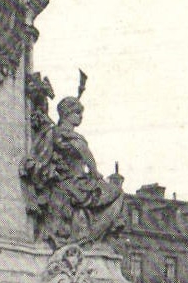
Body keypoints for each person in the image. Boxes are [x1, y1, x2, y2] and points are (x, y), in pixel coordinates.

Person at [21, 94, 126, 248]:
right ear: (66, 114)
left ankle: (96, 239)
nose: (80, 117)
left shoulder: (64, 135)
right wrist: (95, 173)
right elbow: (83, 155)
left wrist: (94, 173)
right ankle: (91, 239)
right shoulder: (59, 134)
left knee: (116, 193)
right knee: (116, 193)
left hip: (80, 181)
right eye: (77, 113)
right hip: (72, 183)